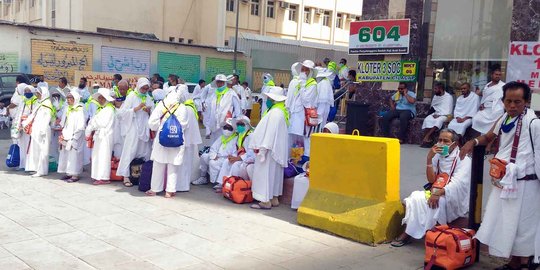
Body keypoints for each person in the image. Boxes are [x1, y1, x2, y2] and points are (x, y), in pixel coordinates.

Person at [460, 81, 540, 269]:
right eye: (509, 101)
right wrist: (472, 141)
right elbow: (488, 137)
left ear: (526, 101)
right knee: (505, 222)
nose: (512, 106)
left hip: (525, 184)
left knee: (524, 226)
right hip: (504, 181)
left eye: (517, 102)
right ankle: (513, 261)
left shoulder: (534, 124)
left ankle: (526, 261)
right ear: (503, 101)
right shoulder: (504, 118)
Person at [392, 129, 471, 246]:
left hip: (452, 196)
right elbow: (431, 180)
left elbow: (457, 184)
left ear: (455, 144)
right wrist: (429, 159)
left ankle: (409, 234)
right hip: (436, 191)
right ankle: (410, 232)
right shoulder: (437, 156)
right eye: (440, 140)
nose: (442, 144)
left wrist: (437, 194)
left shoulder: (464, 159)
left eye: (446, 141)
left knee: (432, 204)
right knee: (415, 197)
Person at [146, 87, 200, 197]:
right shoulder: (183, 108)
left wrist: (161, 127)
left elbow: (152, 123)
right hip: (176, 140)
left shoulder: (161, 105)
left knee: (158, 164)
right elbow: (184, 125)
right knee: (173, 165)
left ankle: (155, 189)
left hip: (161, 140)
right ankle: (170, 191)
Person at [249, 86, 289, 210]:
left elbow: (270, 134)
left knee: (265, 175)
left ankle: (265, 200)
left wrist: (262, 149)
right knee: (274, 175)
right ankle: (273, 198)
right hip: (275, 150)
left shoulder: (275, 113)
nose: (267, 100)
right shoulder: (280, 112)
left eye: (269, 98)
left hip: (268, 150)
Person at [291, 122, 339, 210]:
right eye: (324, 131)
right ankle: (299, 205)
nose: (326, 134)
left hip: (326, 174)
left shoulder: (336, 146)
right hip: (315, 170)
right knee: (299, 179)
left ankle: (309, 205)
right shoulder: (320, 143)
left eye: (328, 132)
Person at [116, 78, 154, 187]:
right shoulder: (132, 96)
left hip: (144, 129)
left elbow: (153, 112)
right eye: (143, 88)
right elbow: (121, 114)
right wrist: (135, 109)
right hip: (133, 128)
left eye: (147, 88)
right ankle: (126, 176)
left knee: (144, 152)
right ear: (139, 86)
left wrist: (149, 111)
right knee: (130, 151)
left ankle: (141, 176)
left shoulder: (148, 97)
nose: (145, 90)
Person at [192, 118, 238, 189]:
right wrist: (213, 156)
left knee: (213, 163)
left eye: (229, 128)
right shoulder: (222, 137)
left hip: (225, 159)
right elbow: (213, 148)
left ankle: (220, 182)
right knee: (204, 156)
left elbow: (234, 154)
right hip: (217, 157)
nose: (227, 130)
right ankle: (203, 177)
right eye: (225, 127)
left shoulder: (235, 139)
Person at [287, 60, 318, 158]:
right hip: (295, 114)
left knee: (305, 138)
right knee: (293, 137)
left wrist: (303, 85)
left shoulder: (312, 84)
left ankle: (305, 160)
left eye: (306, 70)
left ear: (311, 72)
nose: (303, 72)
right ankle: (293, 159)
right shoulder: (298, 82)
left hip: (304, 117)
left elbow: (306, 101)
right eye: (302, 69)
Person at [85, 88, 116, 185]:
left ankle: (104, 177)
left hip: (105, 136)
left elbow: (101, 123)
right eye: (99, 98)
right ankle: (98, 176)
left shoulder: (109, 109)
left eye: (102, 98)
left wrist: (93, 122)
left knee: (103, 156)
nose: (100, 100)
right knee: (97, 156)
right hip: (99, 136)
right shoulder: (102, 109)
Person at [22, 86, 53, 177]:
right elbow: (33, 115)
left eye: (38, 93)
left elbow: (47, 118)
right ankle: (36, 169)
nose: (37, 95)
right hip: (36, 130)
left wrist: (43, 130)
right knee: (36, 150)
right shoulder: (40, 103)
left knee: (42, 150)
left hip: (42, 131)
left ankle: (42, 170)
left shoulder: (47, 104)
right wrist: (25, 123)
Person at [57, 90, 86, 182]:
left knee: (74, 155)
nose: (68, 100)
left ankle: (75, 174)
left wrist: (75, 137)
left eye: (70, 98)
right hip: (66, 135)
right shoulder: (67, 108)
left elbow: (81, 126)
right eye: (68, 98)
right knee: (65, 155)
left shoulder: (79, 109)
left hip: (75, 136)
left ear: (75, 99)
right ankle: (68, 173)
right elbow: (63, 122)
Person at [220, 116, 256, 188]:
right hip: (241, 158)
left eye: (241, 124)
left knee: (236, 166)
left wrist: (238, 158)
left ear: (247, 125)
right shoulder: (240, 134)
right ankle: (222, 184)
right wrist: (233, 157)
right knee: (227, 161)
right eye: (238, 124)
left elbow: (252, 153)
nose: (239, 126)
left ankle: (241, 186)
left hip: (250, 160)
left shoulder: (251, 136)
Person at [208, 74, 241, 142]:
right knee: (214, 143)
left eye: (221, 82)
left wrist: (237, 122)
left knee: (225, 143)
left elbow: (238, 110)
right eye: (218, 82)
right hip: (214, 124)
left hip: (226, 124)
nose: (220, 84)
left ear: (225, 83)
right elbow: (210, 109)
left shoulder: (231, 93)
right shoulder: (214, 94)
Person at [472, 68, 505, 134]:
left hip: (496, 108)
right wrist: (482, 104)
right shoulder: (487, 85)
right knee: (476, 119)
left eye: (499, 75)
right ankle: (482, 137)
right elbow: (485, 97)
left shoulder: (503, 86)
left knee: (494, 125)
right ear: (491, 75)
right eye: (496, 74)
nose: (498, 76)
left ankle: (489, 138)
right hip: (486, 108)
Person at [11, 84, 36, 170]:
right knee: (22, 145)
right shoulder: (23, 100)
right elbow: (19, 113)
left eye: (29, 91)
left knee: (29, 147)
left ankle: (29, 166)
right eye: (25, 91)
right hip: (21, 126)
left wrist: (26, 123)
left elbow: (34, 114)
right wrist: (17, 125)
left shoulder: (35, 101)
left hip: (30, 126)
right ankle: (22, 165)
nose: (27, 93)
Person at [420, 83, 454, 147]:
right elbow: (434, 106)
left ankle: (426, 137)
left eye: (436, 89)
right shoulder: (436, 96)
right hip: (436, 113)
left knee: (438, 121)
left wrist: (440, 115)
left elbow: (449, 110)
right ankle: (428, 139)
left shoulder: (449, 97)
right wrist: (435, 114)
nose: (434, 90)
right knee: (427, 119)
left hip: (445, 115)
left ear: (440, 89)